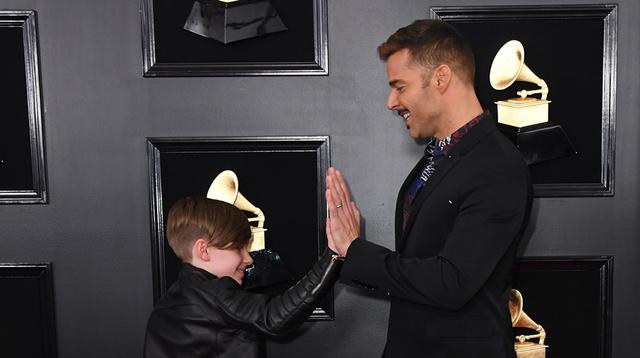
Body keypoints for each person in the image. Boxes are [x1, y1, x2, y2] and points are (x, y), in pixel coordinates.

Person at [325, 19, 532, 357]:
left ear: (440, 78)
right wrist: (349, 252)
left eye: (399, 86)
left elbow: (451, 282)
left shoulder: (497, 166)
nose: (391, 101)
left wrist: (356, 250)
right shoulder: (439, 156)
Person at [144, 197, 342, 358]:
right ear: (203, 250)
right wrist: (334, 255)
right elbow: (274, 317)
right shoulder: (216, 293)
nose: (248, 259)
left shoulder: (164, 308)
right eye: (239, 247)